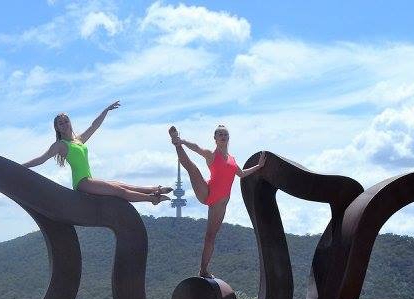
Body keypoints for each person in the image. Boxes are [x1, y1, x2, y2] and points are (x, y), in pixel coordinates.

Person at [24, 101, 172, 204]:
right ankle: (153, 199)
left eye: (66, 121)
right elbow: (41, 159)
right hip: (81, 182)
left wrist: (106, 110)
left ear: (70, 122)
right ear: (57, 128)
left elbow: (94, 126)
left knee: (123, 185)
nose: (64, 124)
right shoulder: (60, 145)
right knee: (119, 191)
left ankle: (155, 189)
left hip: (89, 179)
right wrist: (21, 166)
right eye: (60, 123)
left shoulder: (78, 140)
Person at [168, 125, 266, 278]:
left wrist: (259, 166)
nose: (223, 136)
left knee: (210, 237)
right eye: (220, 134)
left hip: (220, 204)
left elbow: (241, 174)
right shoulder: (211, 154)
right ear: (215, 139)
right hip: (207, 192)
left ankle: (203, 270)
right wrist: (182, 141)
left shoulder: (232, 160)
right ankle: (176, 141)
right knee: (192, 168)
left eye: (225, 134)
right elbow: (197, 148)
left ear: (228, 137)